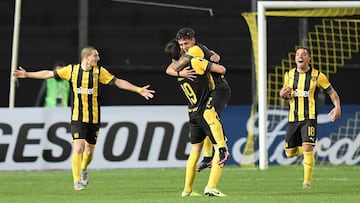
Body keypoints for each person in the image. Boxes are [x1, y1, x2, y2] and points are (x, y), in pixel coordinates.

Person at [13, 46, 155, 191]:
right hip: (78, 117)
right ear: (87, 57)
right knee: (78, 147)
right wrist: (27, 75)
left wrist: (138, 90)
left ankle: (83, 168)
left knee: (89, 152)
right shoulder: (71, 70)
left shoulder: (99, 72)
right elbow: (48, 74)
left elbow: (118, 82)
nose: (98, 58)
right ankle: (76, 181)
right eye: (95, 56)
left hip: (94, 118)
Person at [165, 39, 227, 197]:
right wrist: (211, 58)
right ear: (182, 52)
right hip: (203, 112)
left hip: (192, 112)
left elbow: (170, 69)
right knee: (221, 148)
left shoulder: (176, 70)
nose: (185, 47)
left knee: (194, 152)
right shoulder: (195, 62)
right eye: (182, 46)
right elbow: (221, 70)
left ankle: (187, 190)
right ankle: (211, 186)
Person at [279, 47, 341, 189]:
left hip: (309, 118)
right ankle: (309, 151)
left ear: (309, 58)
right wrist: (283, 95)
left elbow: (332, 93)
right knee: (289, 153)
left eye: (304, 54)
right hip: (293, 118)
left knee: (307, 147)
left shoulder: (318, 75)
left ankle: (306, 182)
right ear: (295, 58)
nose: (300, 56)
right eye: (298, 54)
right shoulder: (289, 75)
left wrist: (337, 107)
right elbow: (286, 99)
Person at [173, 27, 232, 171]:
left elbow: (174, 68)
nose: (184, 48)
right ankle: (207, 157)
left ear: (193, 40)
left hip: (219, 88)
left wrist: (180, 70)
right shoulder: (200, 50)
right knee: (204, 119)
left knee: (208, 114)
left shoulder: (194, 53)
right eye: (181, 45)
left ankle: (222, 149)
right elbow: (171, 69)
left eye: (186, 44)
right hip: (212, 90)